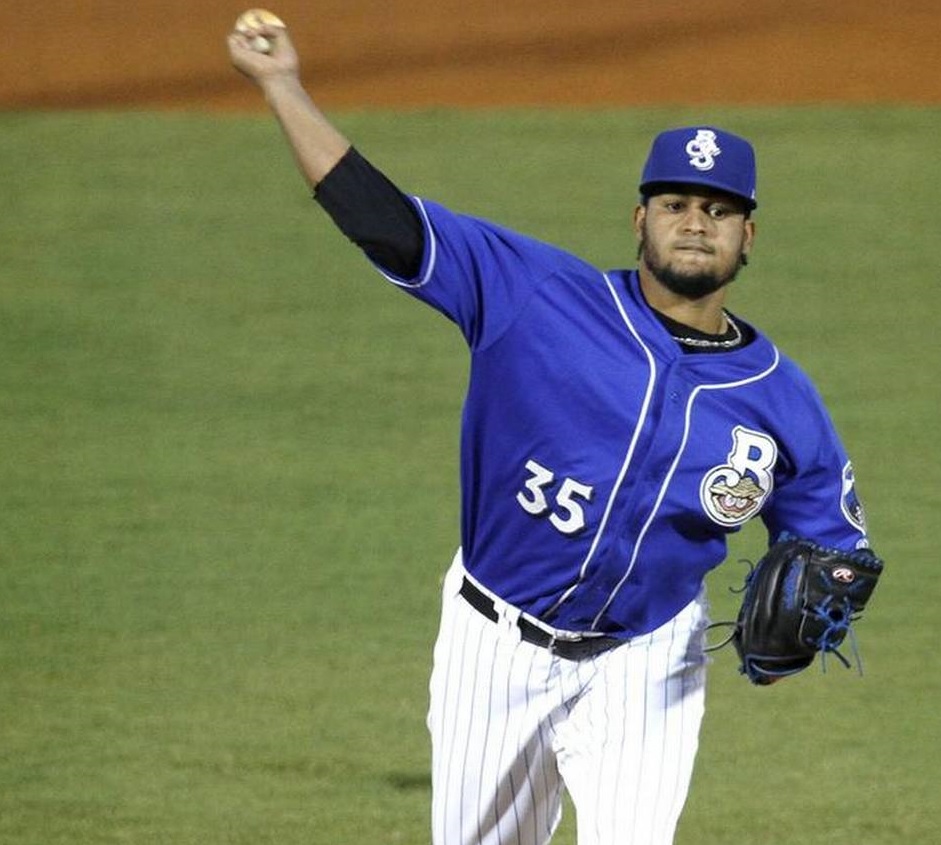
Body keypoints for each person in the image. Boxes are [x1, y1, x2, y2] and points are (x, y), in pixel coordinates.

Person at [228, 16, 874, 845]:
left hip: (648, 657)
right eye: (674, 202)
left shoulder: (780, 397)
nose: (694, 221)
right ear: (637, 219)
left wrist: (825, 602)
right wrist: (281, 86)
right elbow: (384, 221)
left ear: (747, 236)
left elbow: (833, 541)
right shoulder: (533, 294)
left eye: (718, 210)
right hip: (493, 642)